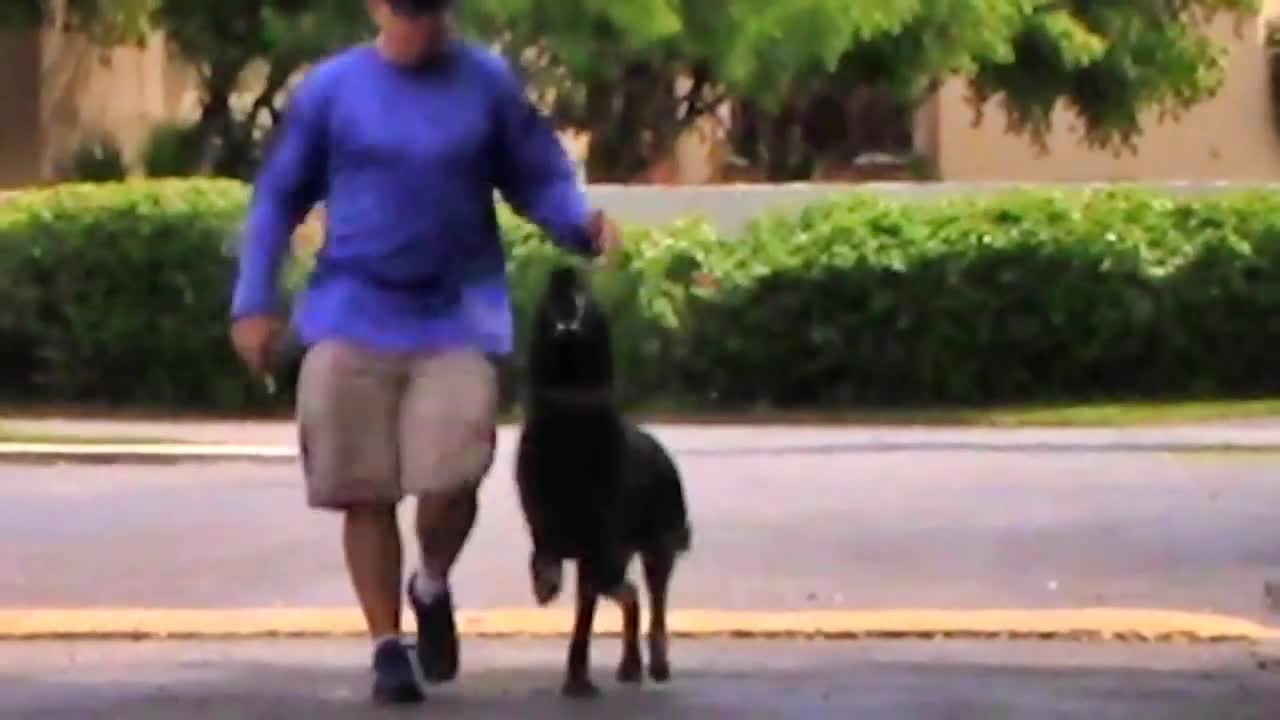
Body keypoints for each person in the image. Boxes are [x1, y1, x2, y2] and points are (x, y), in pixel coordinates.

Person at [228, 0, 621, 705]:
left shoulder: (486, 83)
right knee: (364, 490)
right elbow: (277, 198)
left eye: (432, 10)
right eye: (406, 9)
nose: (420, 24)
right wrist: (254, 299)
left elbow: (536, 173)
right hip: (350, 313)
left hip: (455, 318)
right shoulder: (332, 89)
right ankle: (386, 648)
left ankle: (430, 581)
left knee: (453, 476)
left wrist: (578, 223)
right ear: (377, 7)